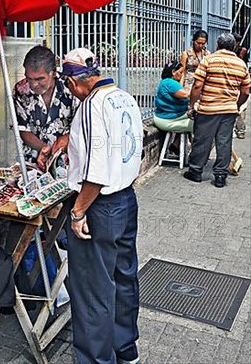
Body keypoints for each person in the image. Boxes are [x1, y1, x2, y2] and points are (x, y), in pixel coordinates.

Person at [61, 48, 143, 364]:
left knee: (94, 290)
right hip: (125, 200)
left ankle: (97, 359)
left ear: (72, 82)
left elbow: (95, 170)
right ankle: (126, 350)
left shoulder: (92, 105)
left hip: (101, 205)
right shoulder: (124, 96)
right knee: (124, 278)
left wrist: (78, 211)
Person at [184, 33, 250, 188]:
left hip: (208, 108)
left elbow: (197, 85)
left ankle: (196, 171)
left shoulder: (209, 60)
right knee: (224, 142)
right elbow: (246, 91)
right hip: (229, 110)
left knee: (202, 140)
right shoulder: (241, 64)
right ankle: (220, 176)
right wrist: (237, 104)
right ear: (234, 47)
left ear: (217, 45)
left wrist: (192, 105)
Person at [13, 45, 77, 170]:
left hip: (69, 162)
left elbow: (81, 126)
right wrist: (44, 148)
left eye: (40, 79)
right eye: (29, 78)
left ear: (53, 72)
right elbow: (23, 130)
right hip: (34, 162)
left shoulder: (71, 87)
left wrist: (65, 139)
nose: (33, 84)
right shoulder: (21, 90)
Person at [153, 60, 193, 147]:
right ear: (173, 72)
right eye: (180, 72)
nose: (182, 75)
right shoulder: (170, 83)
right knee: (198, 124)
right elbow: (186, 94)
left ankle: (175, 145)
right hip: (167, 120)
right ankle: (197, 155)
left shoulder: (165, 82)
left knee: (194, 116)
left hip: (164, 117)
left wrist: (182, 72)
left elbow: (180, 88)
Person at [233, 32, 250, 139]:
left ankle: (240, 129)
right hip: (237, 80)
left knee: (241, 107)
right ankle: (239, 130)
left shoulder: (241, 51)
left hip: (238, 80)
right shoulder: (239, 50)